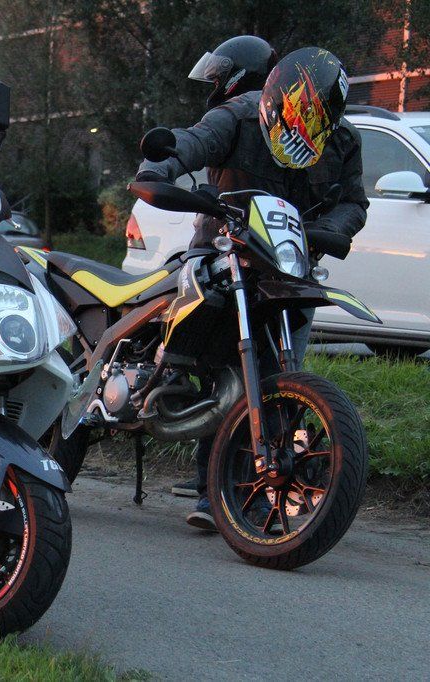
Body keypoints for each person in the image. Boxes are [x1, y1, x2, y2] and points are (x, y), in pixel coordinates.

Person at [137, 47, 368, 530]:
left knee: (279, 377)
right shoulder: (238, 116)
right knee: (216, 365)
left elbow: (353, 202)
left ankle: (237, 492)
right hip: (221, 255)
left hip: (288, 269)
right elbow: (193, 142)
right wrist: (160, 168)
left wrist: (331, 229)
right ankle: (161, 388)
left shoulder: (342, 140)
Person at [171, 35, 281, 499]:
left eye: (219, 74)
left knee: (214, 366)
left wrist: (159, 163)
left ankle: (212, 487)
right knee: (267, 373)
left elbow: (192, 142)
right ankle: (223, 484)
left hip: (223, 255)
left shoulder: (234, 112)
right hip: (282, 263)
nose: (213, 83)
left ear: (238, 76)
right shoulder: (301, 119)